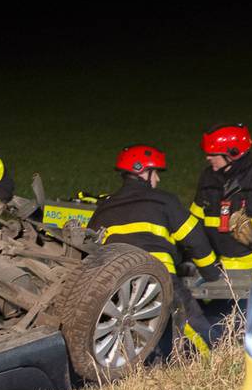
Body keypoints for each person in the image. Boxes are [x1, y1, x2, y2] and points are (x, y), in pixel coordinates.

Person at [88, 145, 223, 355]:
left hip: (115, 286)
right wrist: (212, 273)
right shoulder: (163, 200)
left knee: (132, 336)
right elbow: (195, 239)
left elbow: (91, 250)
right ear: (142, 171)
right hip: (158, 276)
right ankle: (219, 363)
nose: (157, 179)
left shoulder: (103, 209)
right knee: (193, 323)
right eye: (156, 173)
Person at [190, 124, 252, 271]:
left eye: (213, 154)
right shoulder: (208, 177)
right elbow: (195, 221)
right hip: (218, 266)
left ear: (233, 153)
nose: (207, 158)